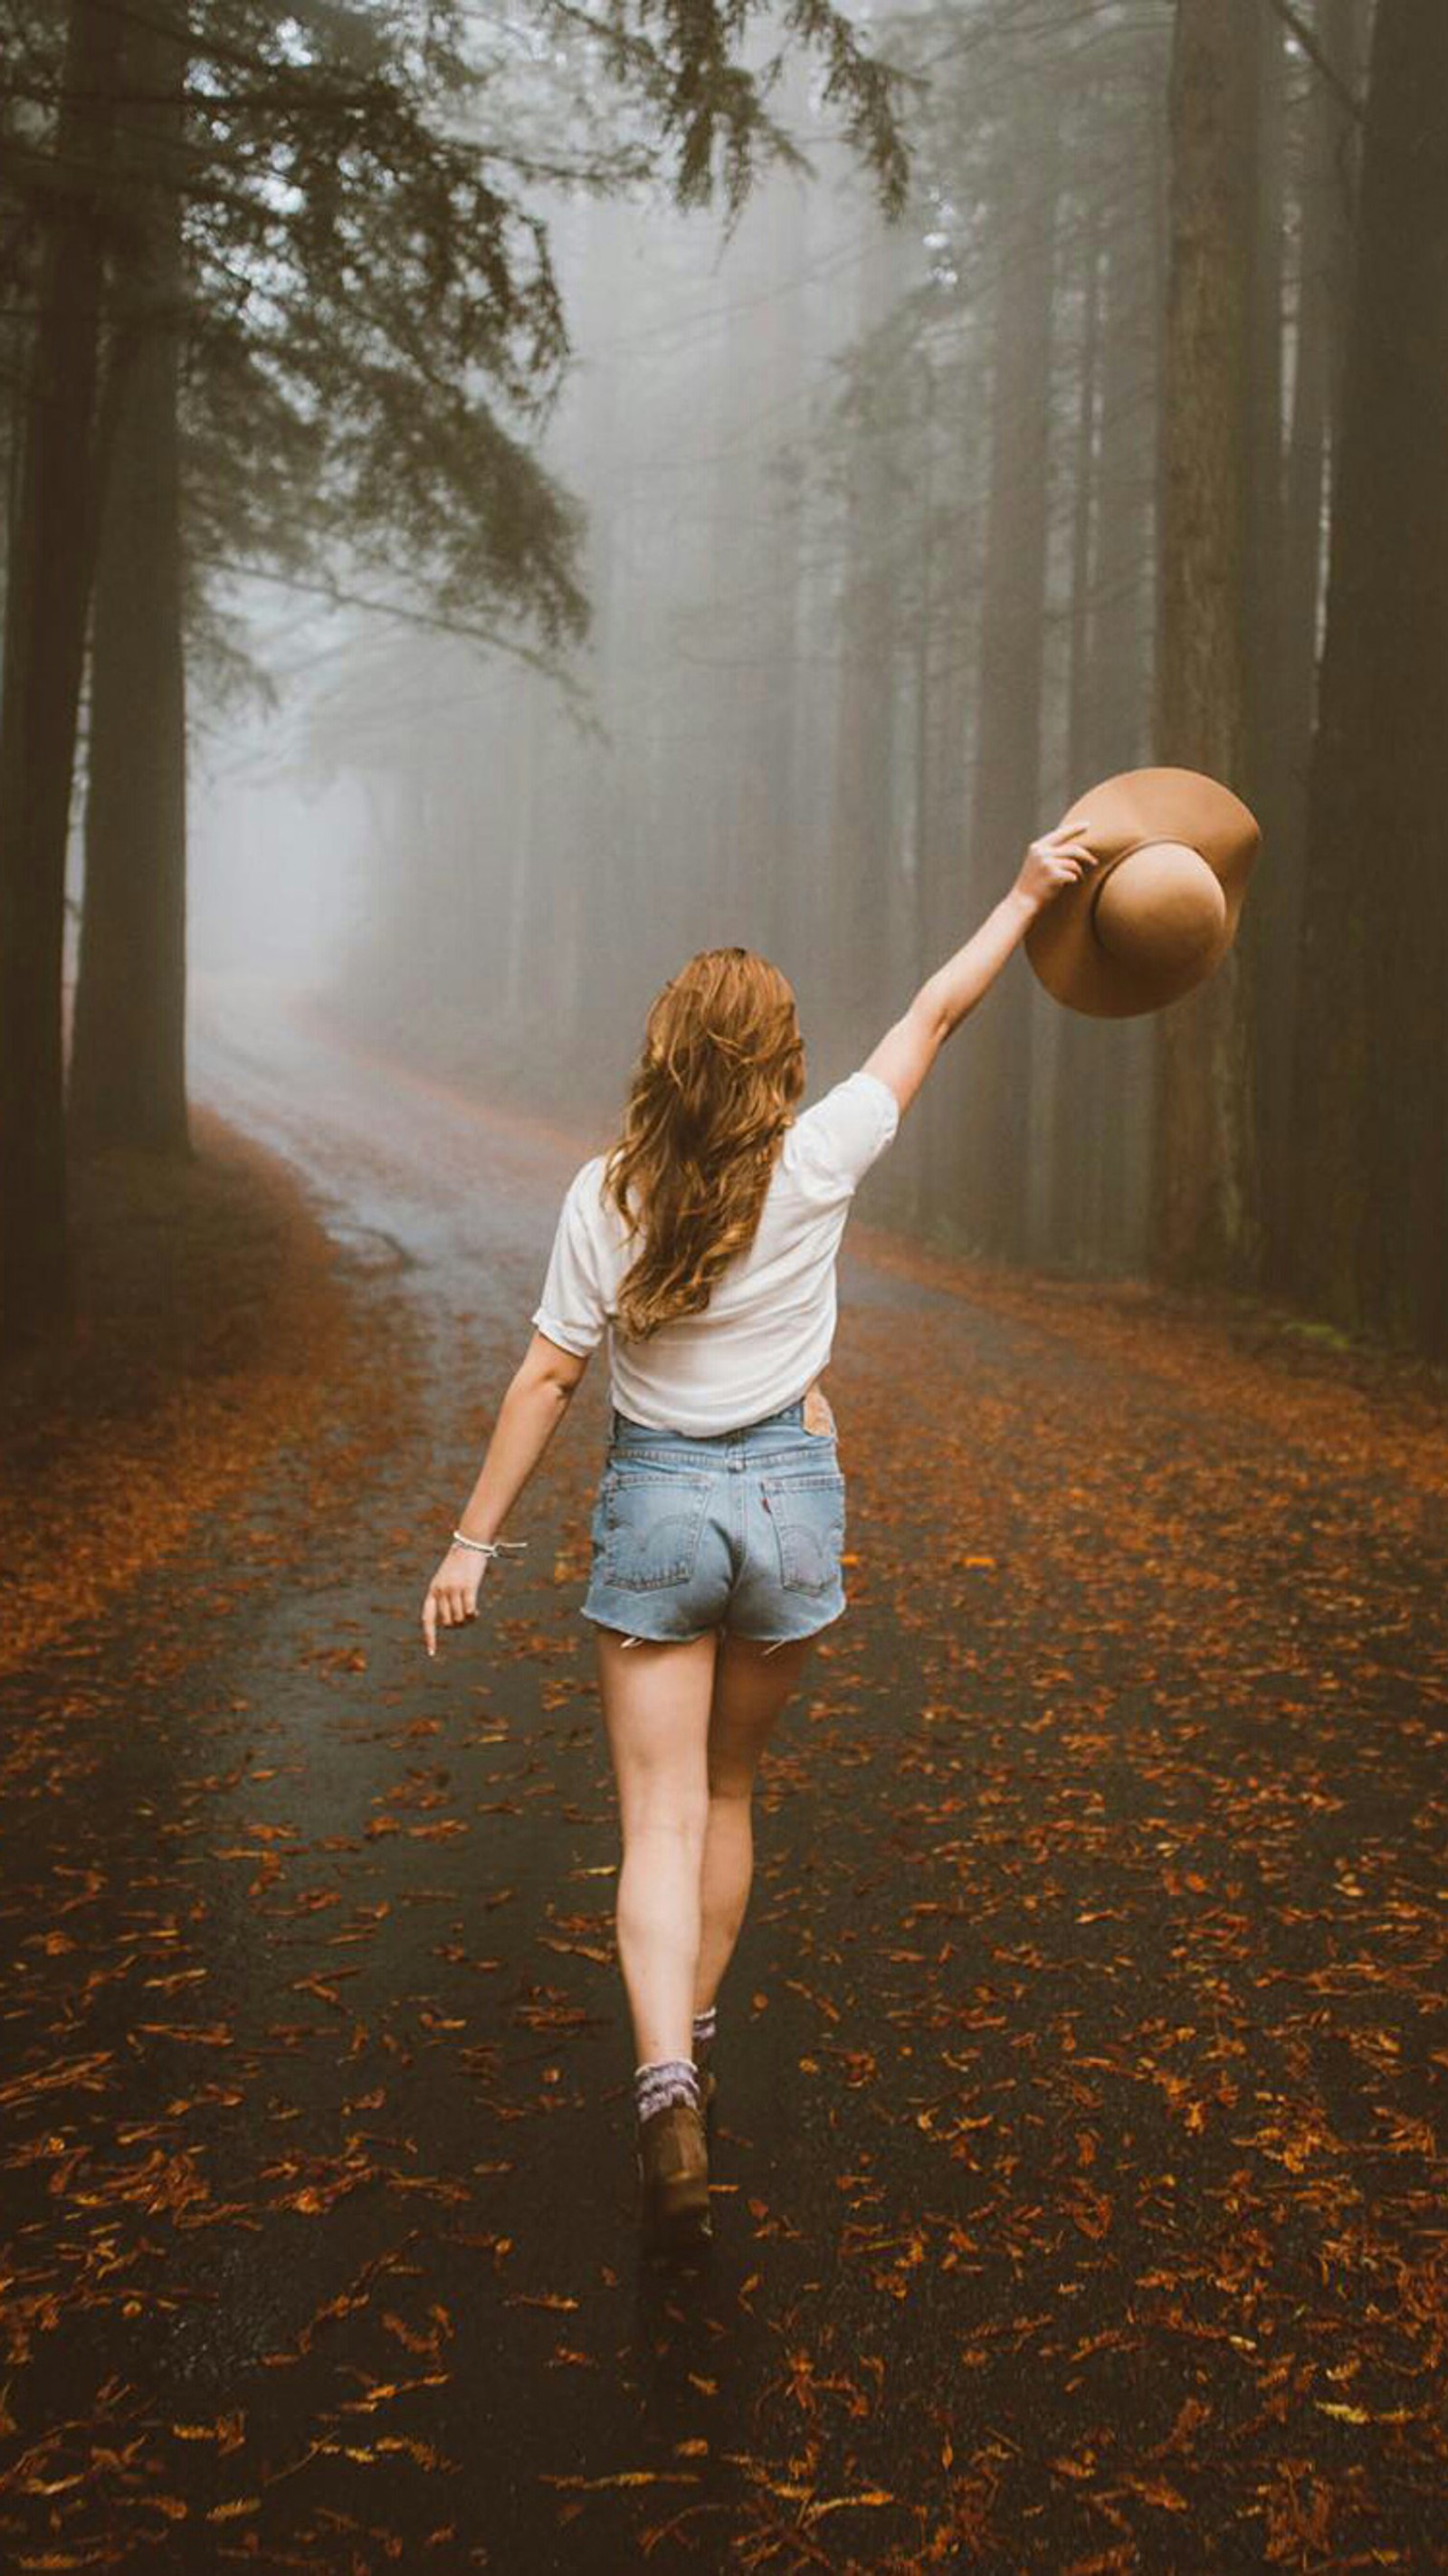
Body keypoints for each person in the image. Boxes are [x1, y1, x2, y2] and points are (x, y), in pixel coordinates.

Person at [420, 817, 1099, 2254]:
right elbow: (938, 1008)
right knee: (727, 1794)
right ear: (781, 1062)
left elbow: (549, 1373)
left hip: (659, 1505)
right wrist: (1030, 892)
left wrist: (472, 1541)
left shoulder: (607, 1195)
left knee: (653, 1820)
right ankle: (697, 2044)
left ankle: (665, 2081)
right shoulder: (822, 1156)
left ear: (665, 1051)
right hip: (795, 1507)